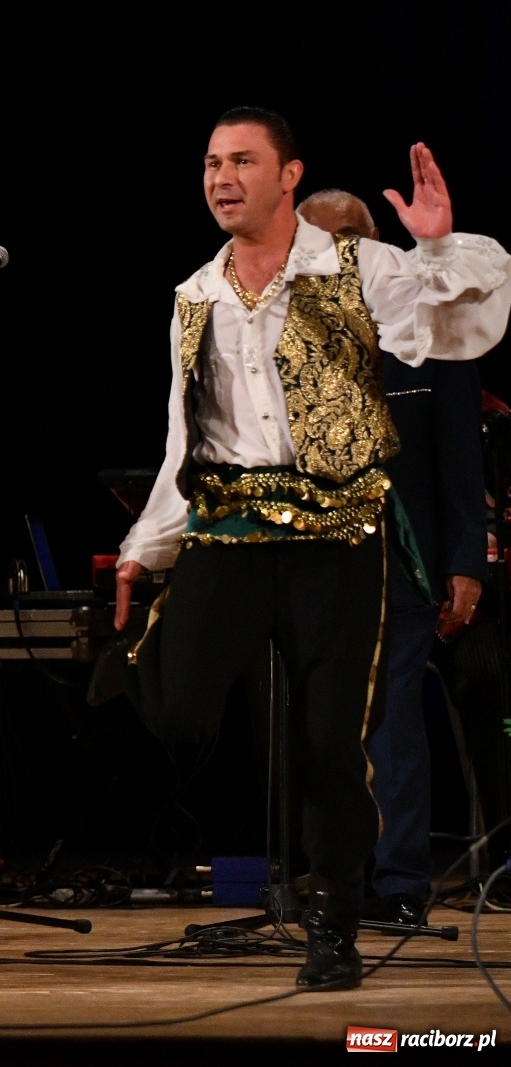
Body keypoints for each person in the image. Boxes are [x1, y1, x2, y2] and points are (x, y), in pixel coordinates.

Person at [113, 108, 508, 991]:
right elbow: (188, 440)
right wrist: (148, 545)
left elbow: (456, 329)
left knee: (331, 740)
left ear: (288, 175)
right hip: (233, 525)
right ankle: (153, 656)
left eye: (243, 161)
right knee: (177, 709)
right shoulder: (194, 294)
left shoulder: (358, 265)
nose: (222, 177)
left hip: (339, 532)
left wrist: (438, 251)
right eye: (212, 162)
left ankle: (334, 920)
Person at [296, 188, 487, 931]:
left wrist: (465, 560)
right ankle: (322, 878)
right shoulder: (280, 320)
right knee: (315, 727)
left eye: (347, 237)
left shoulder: (426, 322)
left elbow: (459, 455)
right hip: (309, 554)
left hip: (400, 557)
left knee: (391, 723)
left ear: (375, 243)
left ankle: (401, 879)